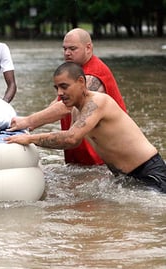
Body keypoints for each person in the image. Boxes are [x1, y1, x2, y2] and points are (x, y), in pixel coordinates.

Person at [5, 62, 166, 193]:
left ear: (81, 82)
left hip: (149, 173)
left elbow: (70, 138)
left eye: (64, 86)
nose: (60, 93)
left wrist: (29, 139)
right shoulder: (77, 109)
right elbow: (74, 142)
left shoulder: (97, 103)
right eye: (56, 88)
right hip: (124, 177)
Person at [9, 28, 127, 166]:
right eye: (64, 49)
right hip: (82, 156)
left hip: (104, 160)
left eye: (72, 49)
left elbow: (65, 108)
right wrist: (29, 126)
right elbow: (56, 104)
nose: (67, 53)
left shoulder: (93, 75)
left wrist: (28, 122)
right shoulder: (74, 74)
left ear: (88, 48)